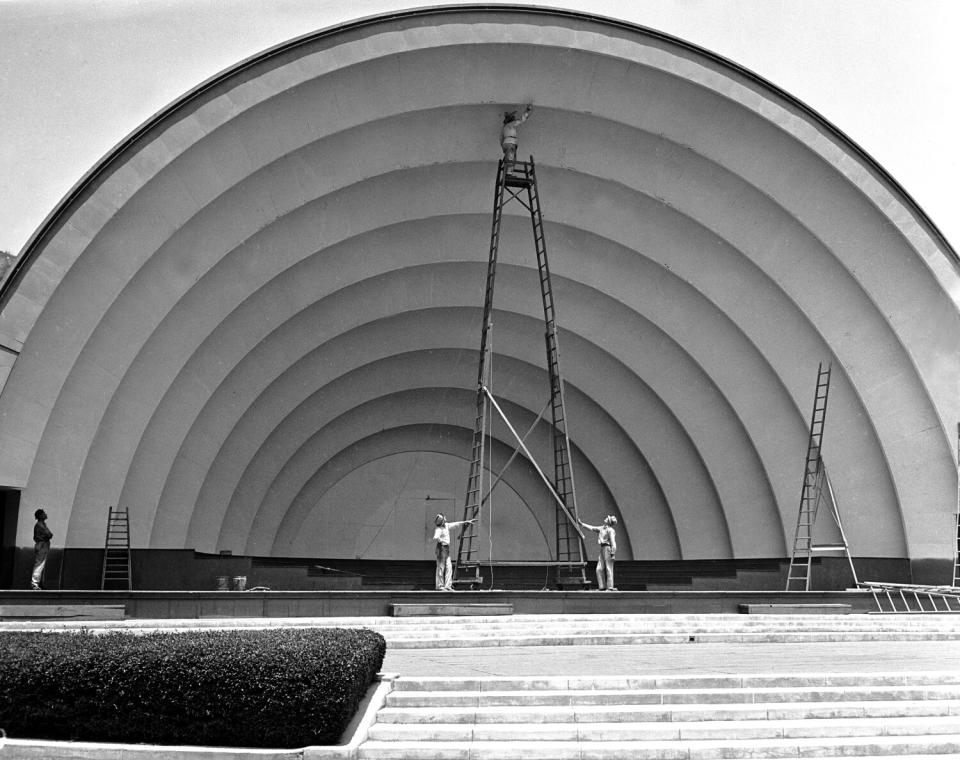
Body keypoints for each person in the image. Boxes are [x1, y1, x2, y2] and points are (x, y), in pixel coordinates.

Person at [432, 513, 476, 591]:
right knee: (441, 567)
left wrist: (467, 521)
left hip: (446, 549)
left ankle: (448, 585)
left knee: (449, 566)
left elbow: (456, 524)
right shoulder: (439, 529)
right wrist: (441, 540)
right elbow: (435, 537)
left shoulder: (446, 526)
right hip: (441, 548)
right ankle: (439, 586)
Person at [579, 514, 618, 591]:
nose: (606, 518)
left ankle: (610, 587)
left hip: (608, 548)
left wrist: (613, 553)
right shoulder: (602, 528)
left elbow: (613, 543)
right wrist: (582, 524)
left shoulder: (610, 530)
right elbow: (592, 528)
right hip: (602, 548)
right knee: (599, 569)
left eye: (608, 518)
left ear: (609, 522)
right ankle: (602, 587)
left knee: (608, 568)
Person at [31, 508, 53, 590]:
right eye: (44, 513)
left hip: (42, 544)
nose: (46, 514)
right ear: (40, 516)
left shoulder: (43, 524)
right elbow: (49, 534)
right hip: (42, 545)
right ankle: (34, 584)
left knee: (41, 564)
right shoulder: (40, 525)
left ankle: (38, 583)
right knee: (39, 564)